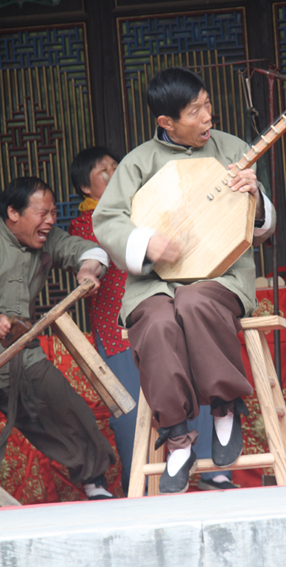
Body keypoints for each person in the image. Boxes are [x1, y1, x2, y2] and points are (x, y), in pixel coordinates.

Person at [92, 67, 276, 494]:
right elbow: (108, 220)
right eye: (194, 111)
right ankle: (176, 437)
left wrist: (255, 197)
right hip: (154, 283)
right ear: (166, 122)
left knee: (194, 302)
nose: (207, 116)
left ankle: (225, 406)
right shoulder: (139, 162)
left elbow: (262, 230)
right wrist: (145, 242)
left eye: (207, 105)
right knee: (157, 323)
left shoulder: (233, 149)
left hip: (221, 275)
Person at [0, 176, 117, 500]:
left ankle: (95, 485)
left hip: (22, 352)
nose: (51, 220)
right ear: (13, 213)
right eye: (42, 213)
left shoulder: (47, 240)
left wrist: (87, 269)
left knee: (68, 410)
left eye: (53, 212)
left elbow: (87, 250)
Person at [69, 147, 140, 496]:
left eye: (117, 167)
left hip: (150, 322)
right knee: (130, 414)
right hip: (116, 332)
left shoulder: (137, 210)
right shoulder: (84, 224)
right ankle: (137, 488)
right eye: (104, 171)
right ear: (86, 187)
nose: (115, 175)